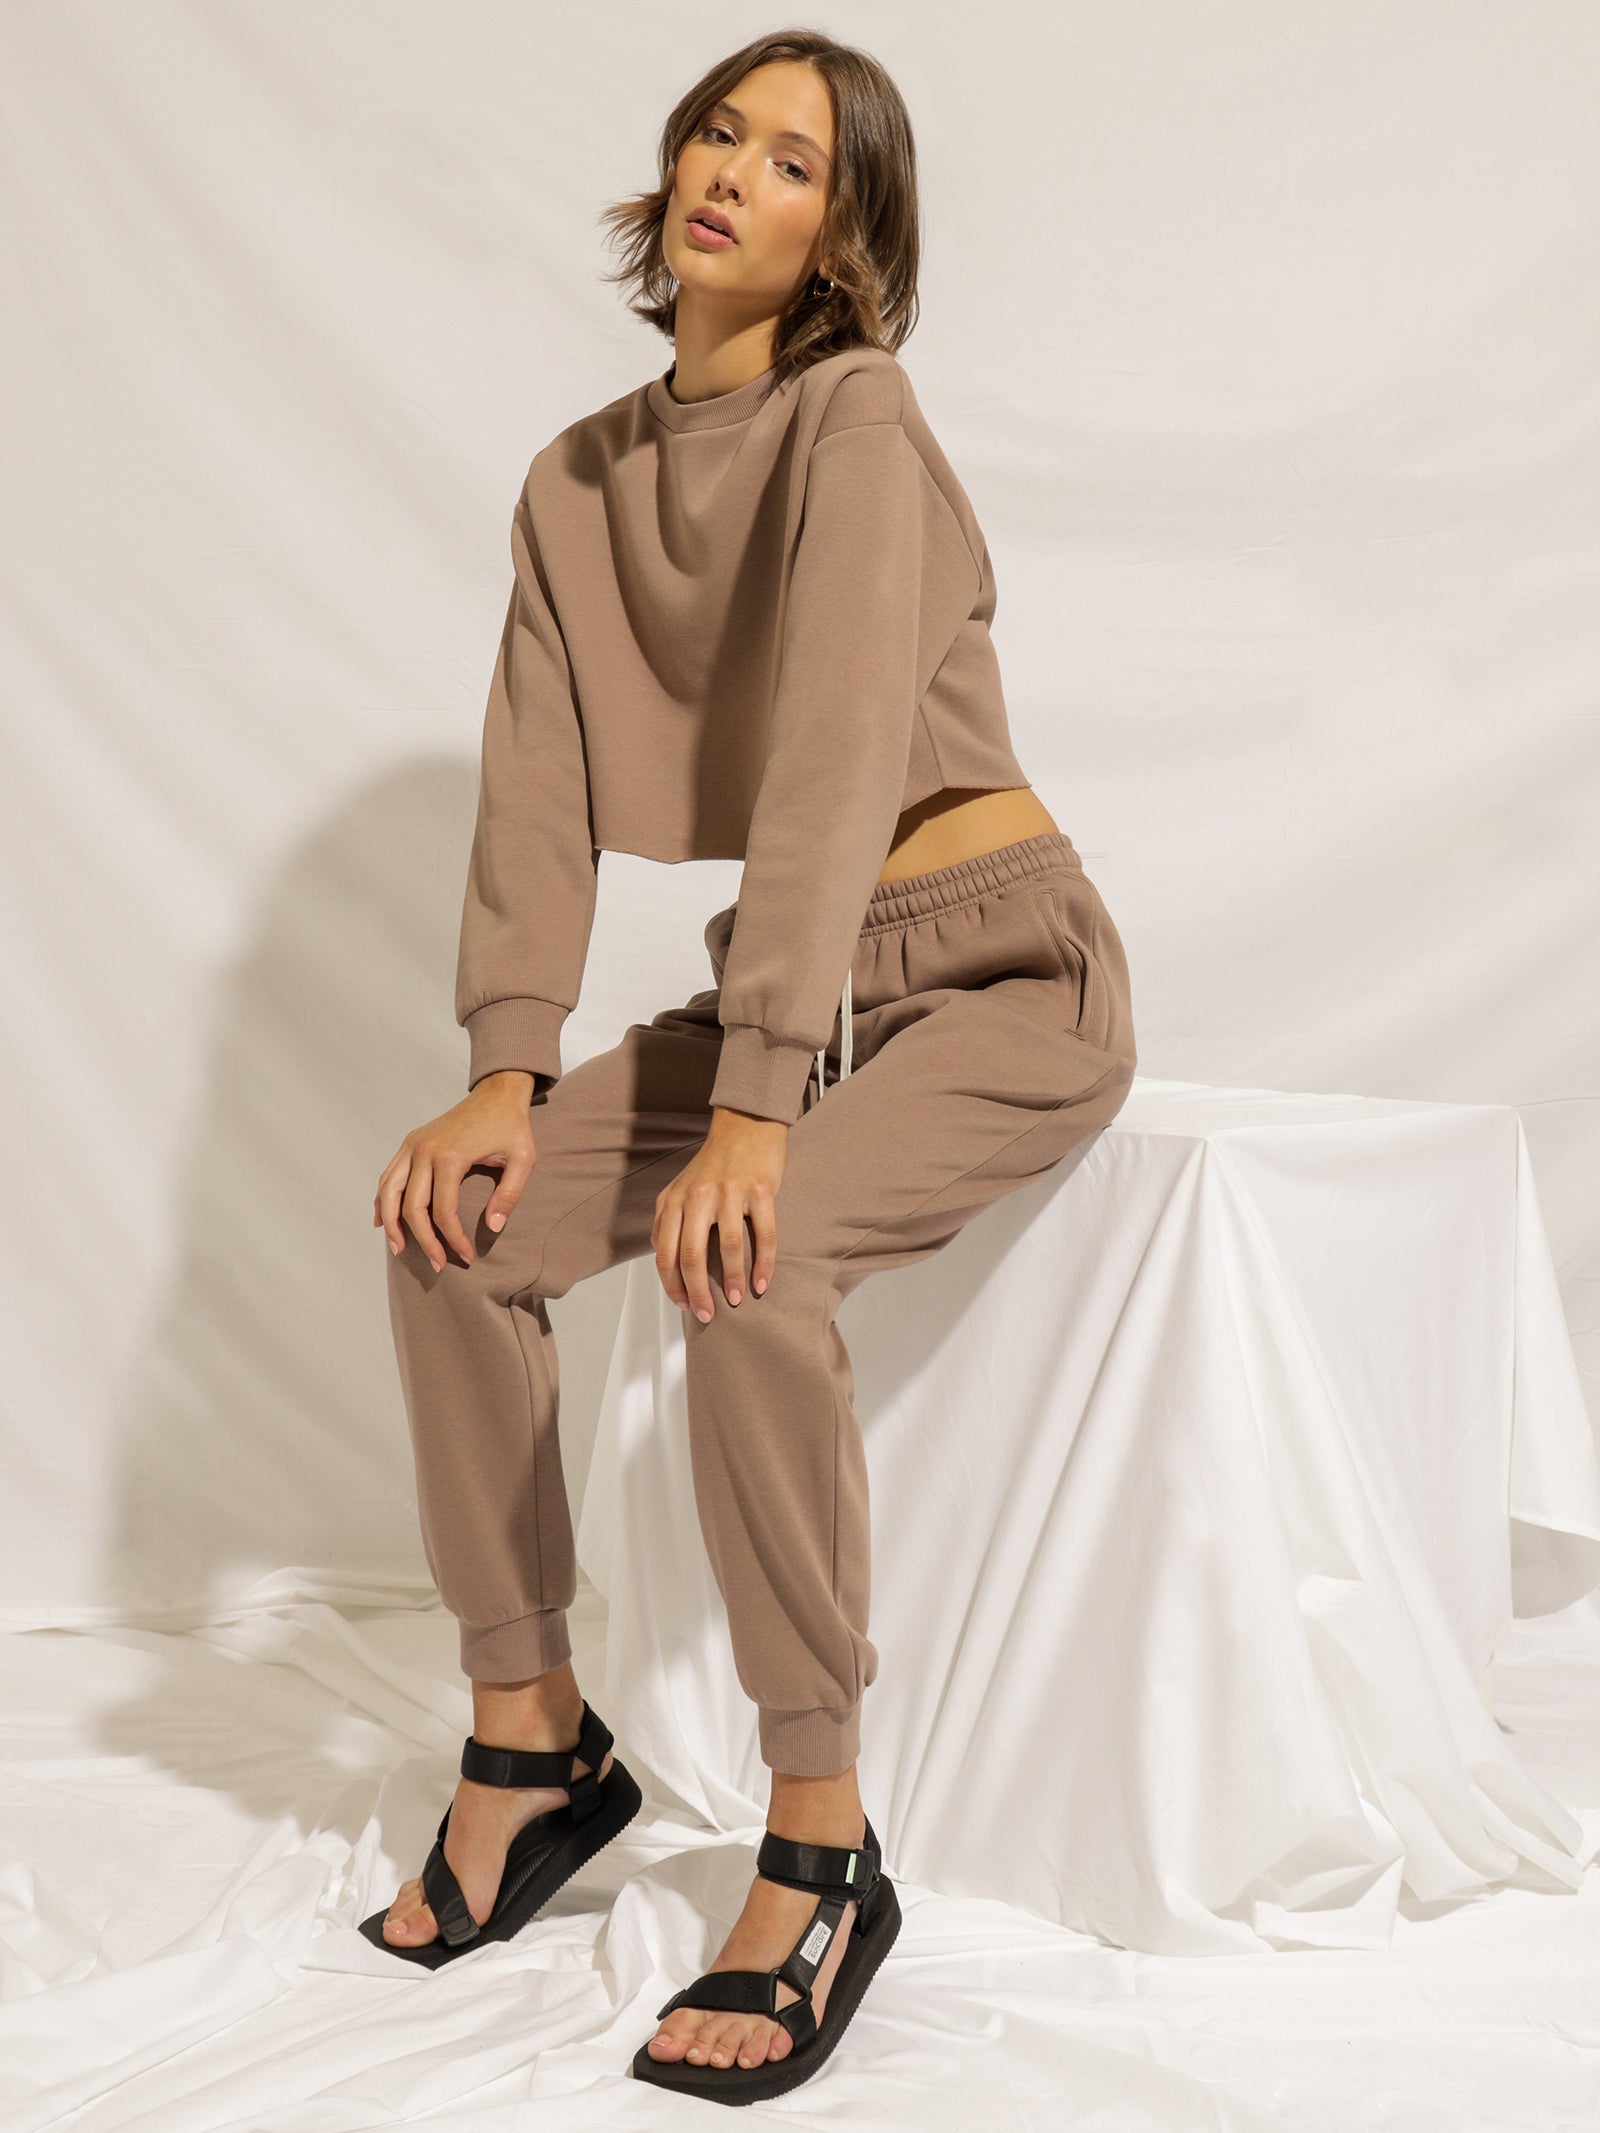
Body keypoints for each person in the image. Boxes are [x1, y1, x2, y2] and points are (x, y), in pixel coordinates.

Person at [365, 27, 1137, 2102]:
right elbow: (535, 789)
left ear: (843, 234)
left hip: (998, 969)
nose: (735, 173)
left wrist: (757, 1100)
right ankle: (530, 1738)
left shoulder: (853, 419)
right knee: (453, 1234)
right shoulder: (575, 483)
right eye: (721, 130)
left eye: (796, 162)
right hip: (798, 992)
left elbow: (831, 765)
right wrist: (506, 1067)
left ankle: (821, 1837)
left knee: (753, 1270)